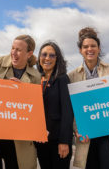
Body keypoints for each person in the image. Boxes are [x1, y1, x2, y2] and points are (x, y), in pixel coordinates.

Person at [68, 27, 109, 169]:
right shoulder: (72, 76)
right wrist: (76, 129)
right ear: (80, 50)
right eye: (85, 47)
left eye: (93, 46)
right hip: (87, 133)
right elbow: (72, 108)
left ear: (99, 49)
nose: (89, 49)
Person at [0, 35, 41, 169]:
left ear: (29, 54)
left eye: (19, 50)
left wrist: (23, 91)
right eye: (12, 48)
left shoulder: (36, 76)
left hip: (19, 139)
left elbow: (36, 109)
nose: (13, 53)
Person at [34, 41, 74, 169]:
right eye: (44, 54)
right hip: (41, 140)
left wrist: (64, 141)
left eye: (52, 55)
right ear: (39, 57)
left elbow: (67, 112)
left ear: (57, 59)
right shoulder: (35, 79)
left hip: (57, 141)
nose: (47, 58)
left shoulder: (62, 79)